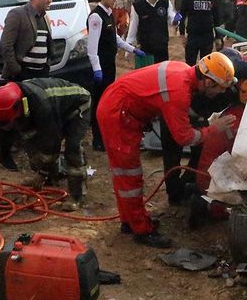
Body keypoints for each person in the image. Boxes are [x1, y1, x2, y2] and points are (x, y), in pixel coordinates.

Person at [96, 53, 238, 247]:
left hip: (120, 104)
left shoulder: (181, 69)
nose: (220, 94)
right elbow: (184, 137)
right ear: (207, 82)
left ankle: (129, 220)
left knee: (126, 175)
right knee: (129, 175)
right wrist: (213, 130)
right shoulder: (178, 91)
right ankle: (142, 230)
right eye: (219, 89)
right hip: (118, 113)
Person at [186, 42, 247, 228]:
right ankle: (203, 204)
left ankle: (191, 187)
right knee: (242, 207)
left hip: (209, 166)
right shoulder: (239, 120)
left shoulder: (233, 112)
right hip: (213, 175)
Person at [0, 78, 91, 211]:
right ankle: (51, 177)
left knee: (73, 148)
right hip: (55, 108)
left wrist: (42, 172)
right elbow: (30, 138)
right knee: (32, 143)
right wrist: (41, 170)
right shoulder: (19, 102)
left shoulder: (41, 104)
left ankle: (77, 196)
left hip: (77, 106)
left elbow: (52, 140)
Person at [0, 0, 54, 171]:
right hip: (23, 74)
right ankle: (5, 156)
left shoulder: (45, 17)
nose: (49, 0)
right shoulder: (18, 14)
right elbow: (6, 45)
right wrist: (17, 71)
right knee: (13, 115)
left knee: (37, 115)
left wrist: (47, 65)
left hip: (40, 75)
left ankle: (35, 156)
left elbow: (47, 44)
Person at [87, 0, 146, 151]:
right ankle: (97, 139)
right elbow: (92, 48)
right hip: (101, 66)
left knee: (108, 101)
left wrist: (132, 49)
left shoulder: (108, 14)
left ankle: (106, 134)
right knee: (99, 102)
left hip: (109, 64)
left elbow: (115, 39)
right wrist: (96, 68)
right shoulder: (96, 17)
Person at [126, 0, 180, 64]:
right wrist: (129, 48)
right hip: (145, 50)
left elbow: (172, 19)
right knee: (147, 76)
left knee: (162, 76)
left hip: (162, 49)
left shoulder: (165, 3)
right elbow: (133, 28)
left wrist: (176, 20)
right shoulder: (138, 6)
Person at [179, 0, 221, 65]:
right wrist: (182, 34)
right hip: (192, 35)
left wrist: (218, 37)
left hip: (208, 36)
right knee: (190, 63)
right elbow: (181, 16)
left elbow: (217, 18)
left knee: (206, 64)